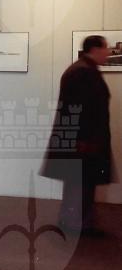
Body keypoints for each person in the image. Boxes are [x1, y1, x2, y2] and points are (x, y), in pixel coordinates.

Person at [41, 35, 113, 234]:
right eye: (106, 48)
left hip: (80, 140)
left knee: (79, 182)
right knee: (81, 183)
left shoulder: (81, 69)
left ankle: (75, 222)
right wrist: (85, 141)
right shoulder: (84, 72)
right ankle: (77, 225)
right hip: (83, 142)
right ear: (95, 49)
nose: (108, 52)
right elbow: (80, 110)